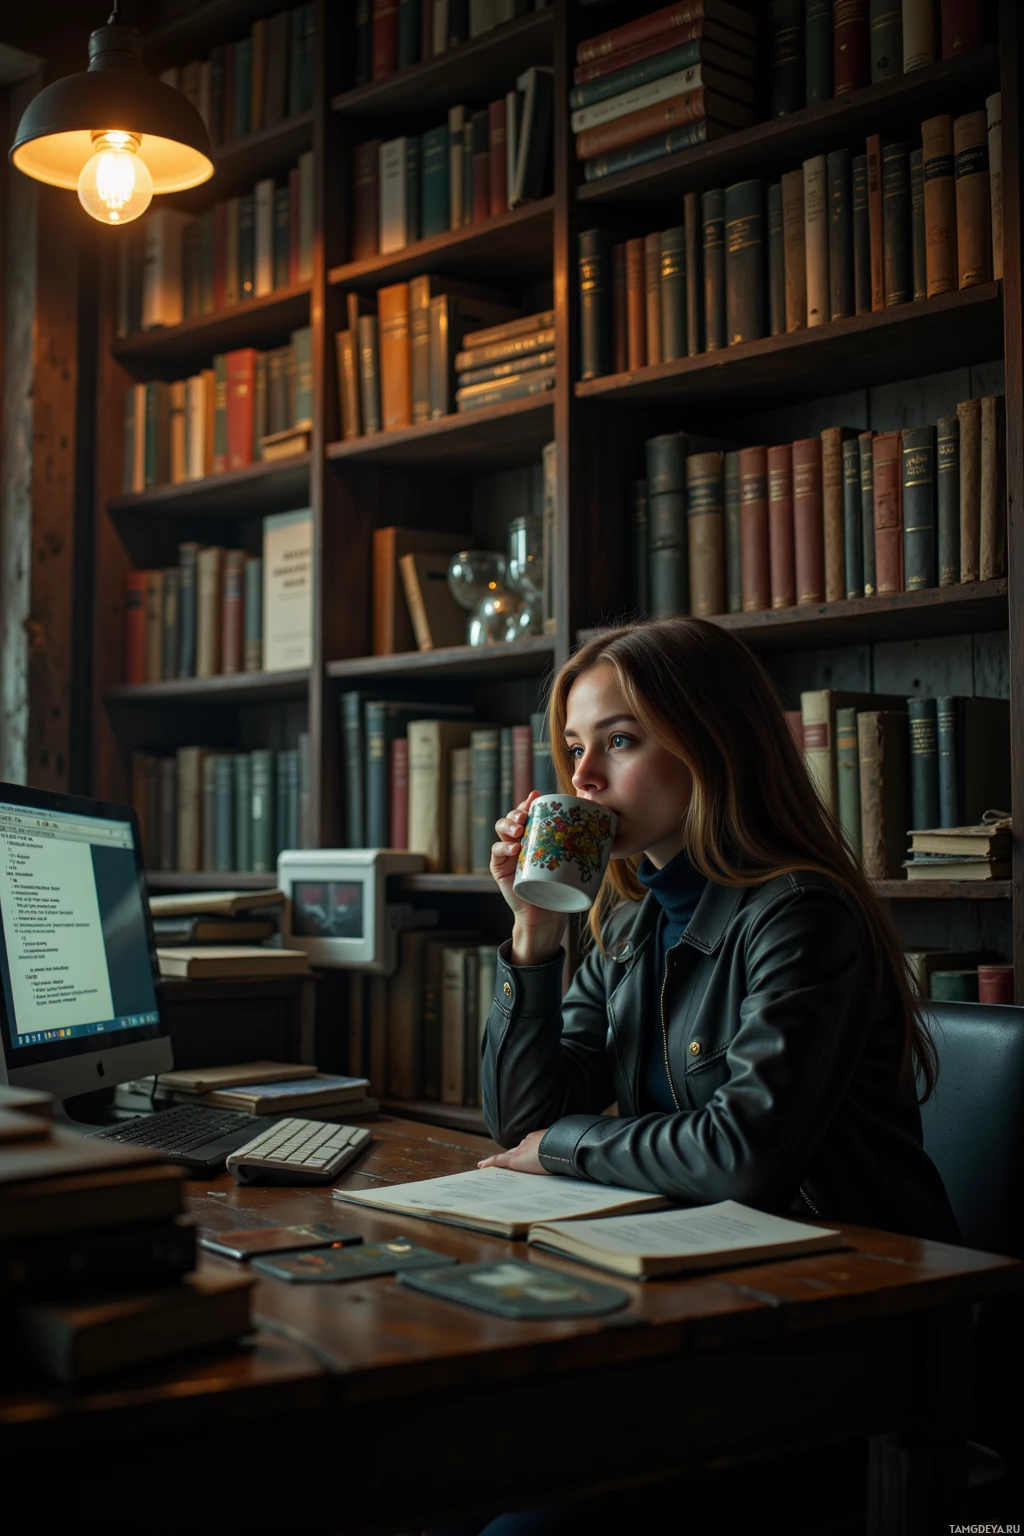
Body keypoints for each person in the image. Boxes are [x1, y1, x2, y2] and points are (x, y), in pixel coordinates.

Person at [478, 617, 960, 1243]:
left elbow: (743, 1152)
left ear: (710, 743)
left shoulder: (801, 917)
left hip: (856, 1274)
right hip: (703, 1249)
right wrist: (534, 934)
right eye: (575, 748)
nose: (583, 778)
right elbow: (522, 1123)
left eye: (618, 741)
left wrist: (569, 1142)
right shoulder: (630, 929)